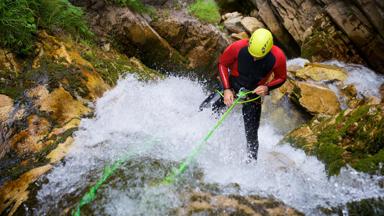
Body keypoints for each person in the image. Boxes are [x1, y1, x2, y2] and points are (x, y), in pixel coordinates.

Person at [217, 28, 287, 161]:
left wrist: (267, 87)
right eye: (252, 54)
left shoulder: (278, 57)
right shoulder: (238, 47)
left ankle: (251, 164)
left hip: (253, 93)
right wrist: (226, 88)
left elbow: (281, 77)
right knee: (210, 109)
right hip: (232, 84)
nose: (254, 58)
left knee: (251, 134)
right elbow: (222, 64)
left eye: (258, 56)